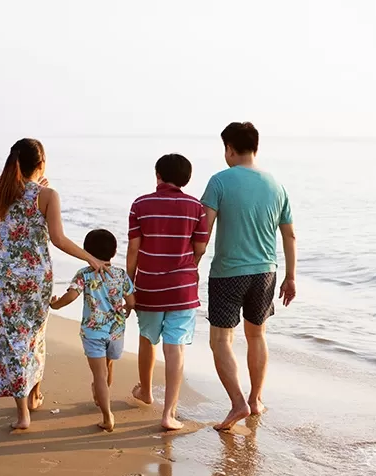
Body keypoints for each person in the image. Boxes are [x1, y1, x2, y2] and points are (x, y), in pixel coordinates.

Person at [0, 138, 109, 430]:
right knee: (34, 335)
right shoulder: (48, 195)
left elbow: (21, 198)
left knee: (13, 339)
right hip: (35, 277)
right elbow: (58, 239)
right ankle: (34, 394)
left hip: (5, 278)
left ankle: (22, 413)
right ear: (40, 164)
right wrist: (90, 257)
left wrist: (37, 183)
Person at [201, 122, 297, 431]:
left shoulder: (219, 182)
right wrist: (290, 276)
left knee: (220, 340)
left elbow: (204, 233)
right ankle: (255, 400)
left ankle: (237, 403)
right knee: (257, 335)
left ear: (229, 148)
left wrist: (191, 263)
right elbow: (289, 236)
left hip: (229, 272)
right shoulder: (276, 185)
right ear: (255, 148)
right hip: (267, 272)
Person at [127, 153, 209, 430]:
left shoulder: (140, 204)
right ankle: (169, 414)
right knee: (175, 348)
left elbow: (134, 248)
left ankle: (146, 391)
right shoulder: (196, 207)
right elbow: (200, 248)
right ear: (186, 179)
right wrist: (187, 267)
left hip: (148, 286)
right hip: (182, 290)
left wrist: (129, 283)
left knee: (147, 338)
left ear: (157, 176)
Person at [50, 229, 135, 432]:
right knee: (108, 364)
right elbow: (131, 300)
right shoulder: (120, 275)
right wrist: (128, 309)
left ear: (86, 251)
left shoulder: (84, 274)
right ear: (114, 253)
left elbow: (70, 296)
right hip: (116, 332)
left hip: (93, 332)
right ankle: (101, 396)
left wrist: (55, 305)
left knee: (99, 375)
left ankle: (107, 416)